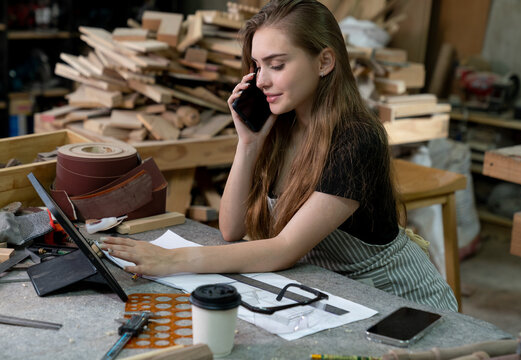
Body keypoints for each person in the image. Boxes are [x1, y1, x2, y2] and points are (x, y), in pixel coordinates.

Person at [103, 0, 458, 311]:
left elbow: (284, 249)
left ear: (324, 62)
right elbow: (231, 228)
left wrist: (172, 260)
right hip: (341, 293)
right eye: (258, 66)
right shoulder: (280, 127)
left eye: (277, 65)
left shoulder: (356, 139)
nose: (261, 81)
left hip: (401, 302)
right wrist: (248, 144)